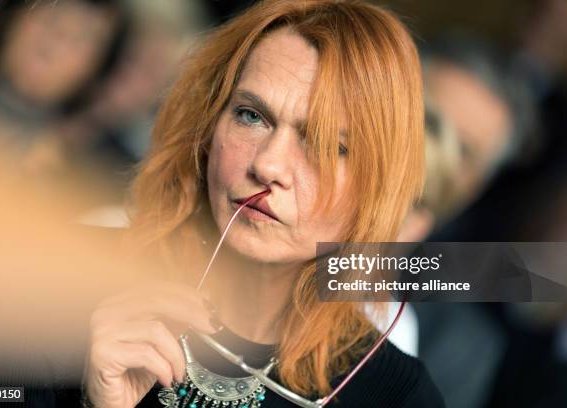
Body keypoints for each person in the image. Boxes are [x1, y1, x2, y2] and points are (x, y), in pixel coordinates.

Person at [78, 1, 444, 407]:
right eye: (251, 116)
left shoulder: (396, 396)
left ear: (375, 187)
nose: (268, 165)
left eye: (324, 144)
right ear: (208, 126)